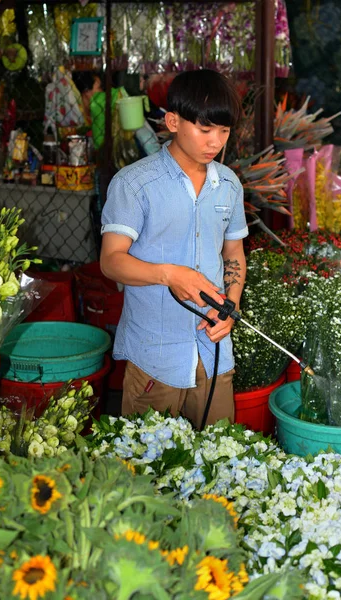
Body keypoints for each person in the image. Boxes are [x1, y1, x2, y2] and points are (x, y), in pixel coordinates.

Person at [100, 69, 248, 429]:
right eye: (205, 129)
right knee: (148, 466)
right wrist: (169, 274)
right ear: (173, 121)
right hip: (155, 356)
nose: (215, 142)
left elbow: (233, 254)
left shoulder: (228, 184)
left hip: (213, 354)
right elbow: (111, 261)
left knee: (220, 459)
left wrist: (232, 304)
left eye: (223, 131)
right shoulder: (135, 184)